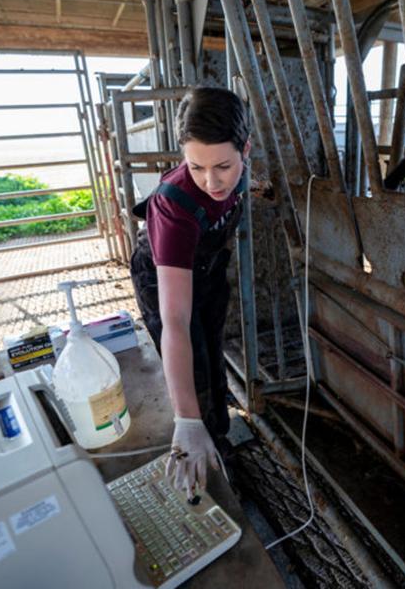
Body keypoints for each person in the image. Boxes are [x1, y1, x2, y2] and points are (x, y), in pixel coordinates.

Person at [130, 86, 250, 499]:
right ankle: (196, 437)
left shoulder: (241, 172)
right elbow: (176, 319)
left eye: (223, 166)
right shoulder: (173, 206)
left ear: (245, 150)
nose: (211, 181)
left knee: (212, 349)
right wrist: (185, 419)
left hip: (209, 267)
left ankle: (217, 435)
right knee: (189, 350)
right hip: (165, 272)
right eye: (196, 166)